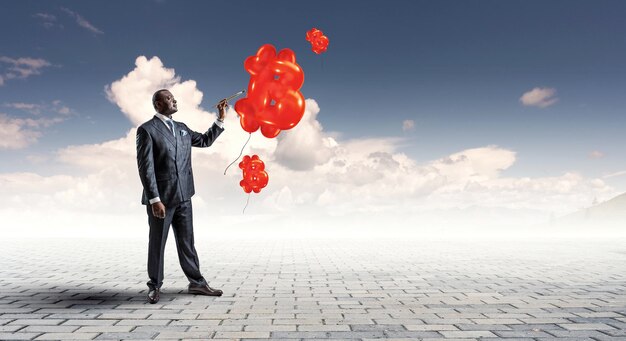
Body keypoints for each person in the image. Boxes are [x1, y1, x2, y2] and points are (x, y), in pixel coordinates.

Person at [136, 89, 227, 304]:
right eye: (168, 98)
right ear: (158, 104)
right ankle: (155, 285)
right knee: (158, 243)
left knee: (187, 242)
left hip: (184, 195)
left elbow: (205, 141)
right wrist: (154, 200)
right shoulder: (147, 130)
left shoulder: (182, 128)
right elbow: (145, 168)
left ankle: (196, 282)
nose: (174, 100)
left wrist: (220, 119)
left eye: (173, 97)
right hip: (162, 200)